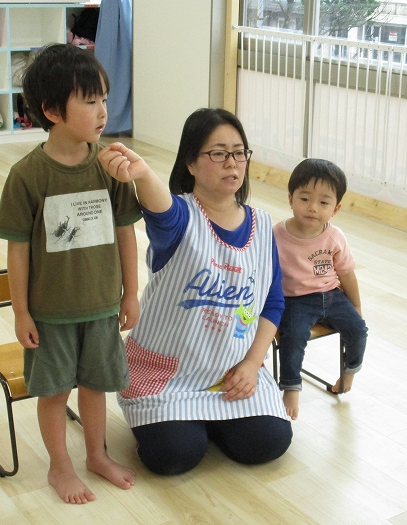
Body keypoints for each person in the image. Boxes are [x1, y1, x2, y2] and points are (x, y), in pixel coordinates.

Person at [99, 108, 292, 475]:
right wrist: (142, 173)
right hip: (168, 375)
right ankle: (191, 425)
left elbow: (273, 302)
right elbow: (160, 208)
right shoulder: (179, 219)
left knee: (269, 442)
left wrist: (252, 364)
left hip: (229, 373)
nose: (232, 163)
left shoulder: (263, 225)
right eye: (218, 153)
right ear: (190, 163)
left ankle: (206, 420)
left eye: (239, 153)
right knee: (174, 455)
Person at [0, 44, 142, 504]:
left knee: (96, 387)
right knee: (55, 393)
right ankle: (60, 467)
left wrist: (130, 294)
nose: (103, 112)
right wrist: (21, 312)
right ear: (53, 111)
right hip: (50, 313)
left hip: (101, 307)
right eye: (90, 101)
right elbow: (18, 251)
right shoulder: (27, 175)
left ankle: (96, 455)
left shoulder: (111, 166)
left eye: (104, 99)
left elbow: (126, 234)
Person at [273, 159, 368, 419]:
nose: (313, 208)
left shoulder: (334, 236)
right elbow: (265, 276)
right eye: (304, 199)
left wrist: (356, 306)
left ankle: (349, 371)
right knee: (293, 337)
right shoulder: (277, 235)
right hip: (295, 300)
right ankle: (291, 387)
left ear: (335, 208)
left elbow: (347, 274)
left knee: (358, 330)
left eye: (323, 203)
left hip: (332, 295)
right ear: (291, 199)